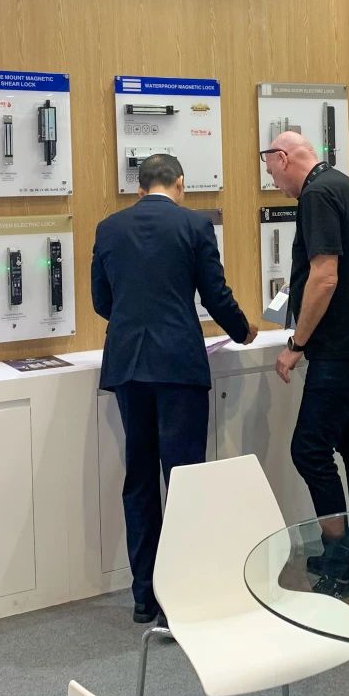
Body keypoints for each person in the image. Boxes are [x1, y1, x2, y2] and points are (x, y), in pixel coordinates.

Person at [91, 153, 257, 625]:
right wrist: (242, 329)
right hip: (178, 364)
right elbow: (214, 293)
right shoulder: (194, 225)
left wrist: (135, 320)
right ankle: (182, 594)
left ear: (139, 187)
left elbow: (102, 301)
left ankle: (145, 595)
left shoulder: (109, 228)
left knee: (140, 479)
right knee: (184, 482)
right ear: (180, 184)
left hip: (128, 365)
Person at [262, 132, 349, 590]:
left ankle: (339, 558)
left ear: (283, 157)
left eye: (271, 170)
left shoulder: (316, 195)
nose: (273, 181)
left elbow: (324, 277)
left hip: (338, 347)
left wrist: (297, 344)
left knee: (309, 449)